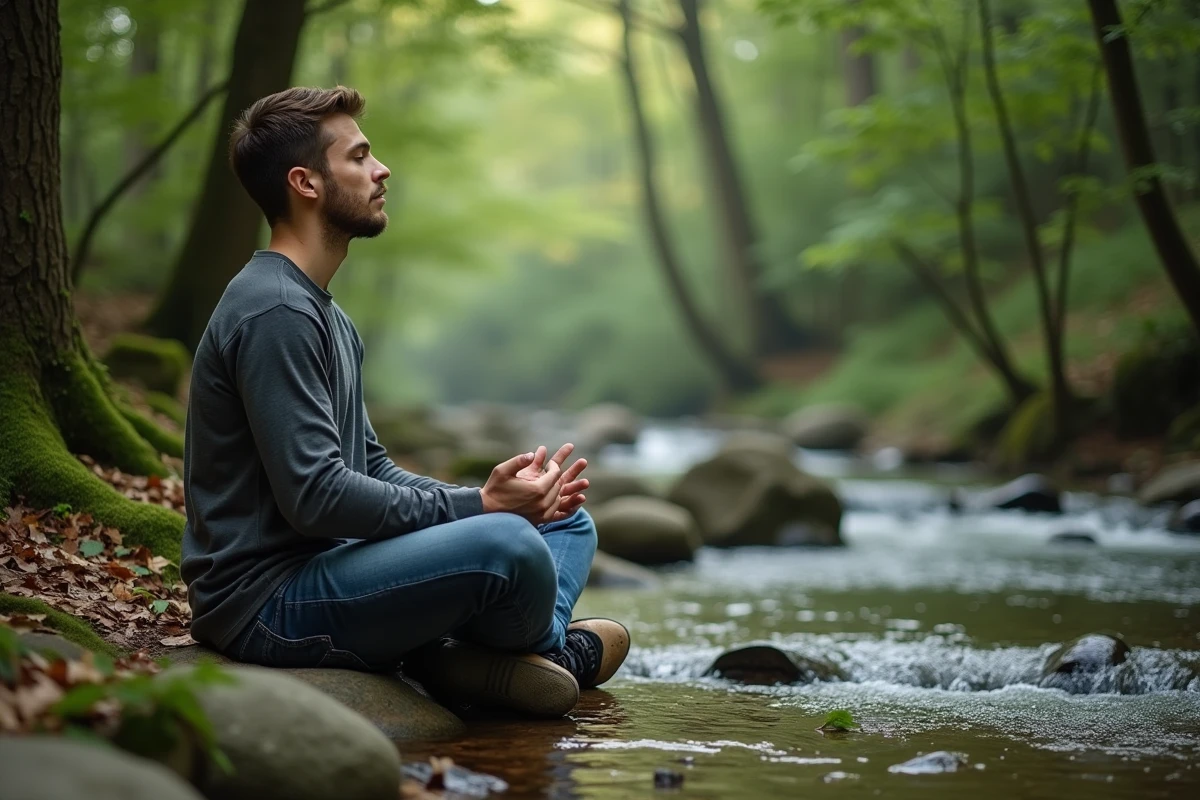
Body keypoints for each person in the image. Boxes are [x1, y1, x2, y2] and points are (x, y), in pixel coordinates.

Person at [180, 86, 629, 718]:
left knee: (561, 521)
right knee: (510, 544)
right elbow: (315, 498)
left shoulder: (327, 316)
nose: (381, 168)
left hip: (332, 568)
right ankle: (550, 654)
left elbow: (372, 468)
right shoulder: (274, 309)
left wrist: (499, 498)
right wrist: (480, 508)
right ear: (306, 183)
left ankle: (468, 649)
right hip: (267, 603)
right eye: (360, 157)